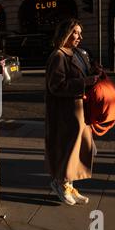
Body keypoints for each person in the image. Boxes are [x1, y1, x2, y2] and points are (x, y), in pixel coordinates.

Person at [45, 18, 101, 206]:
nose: (79, 36)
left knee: (77, 150)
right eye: (75, 32)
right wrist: (83, 83)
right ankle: (60, 183)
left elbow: (81, 75)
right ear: (65, 33)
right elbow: (56, 86)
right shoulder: (58, 56)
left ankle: (69, 184)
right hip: (66, 113)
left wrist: (93, 72)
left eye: (80, 33)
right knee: (67, 150)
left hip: (80, 110)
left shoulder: (78, 53)